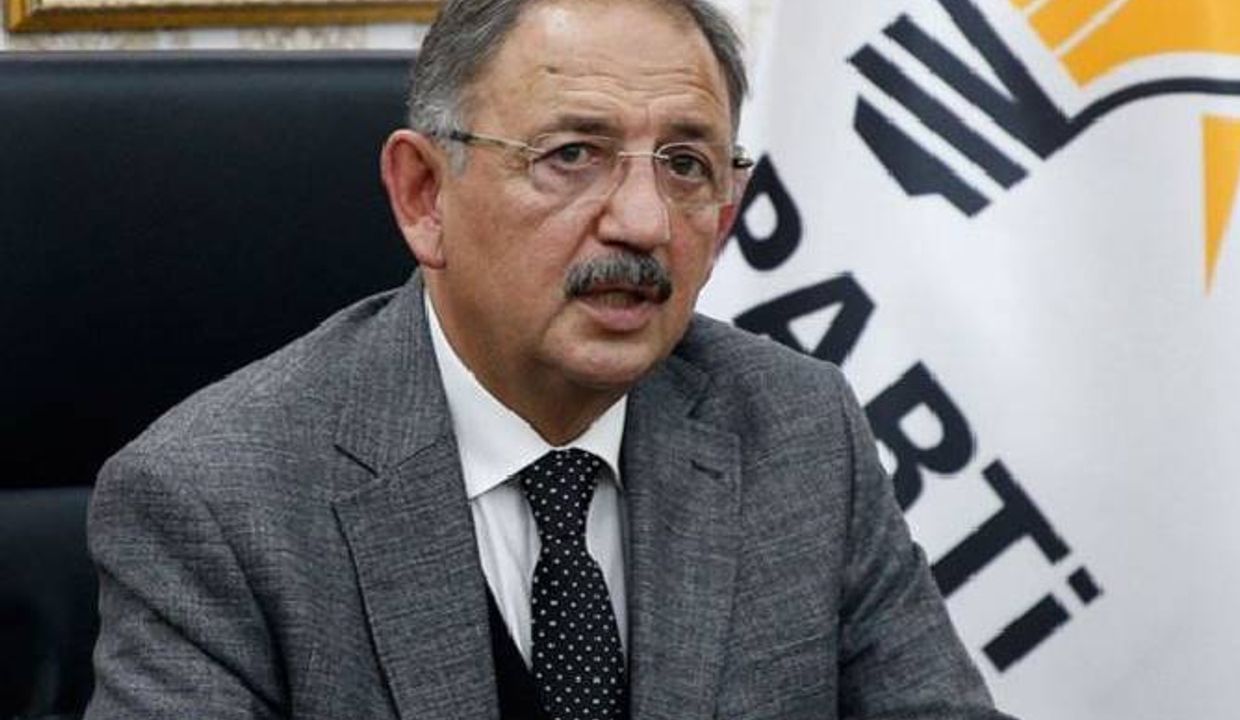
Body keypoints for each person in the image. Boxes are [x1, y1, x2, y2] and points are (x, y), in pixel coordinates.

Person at [85, 0, 1016, 718]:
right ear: (424, 197)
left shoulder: (799, 431)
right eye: (573, 154)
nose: (644, 223)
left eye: (685, 165)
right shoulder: (213, 502)